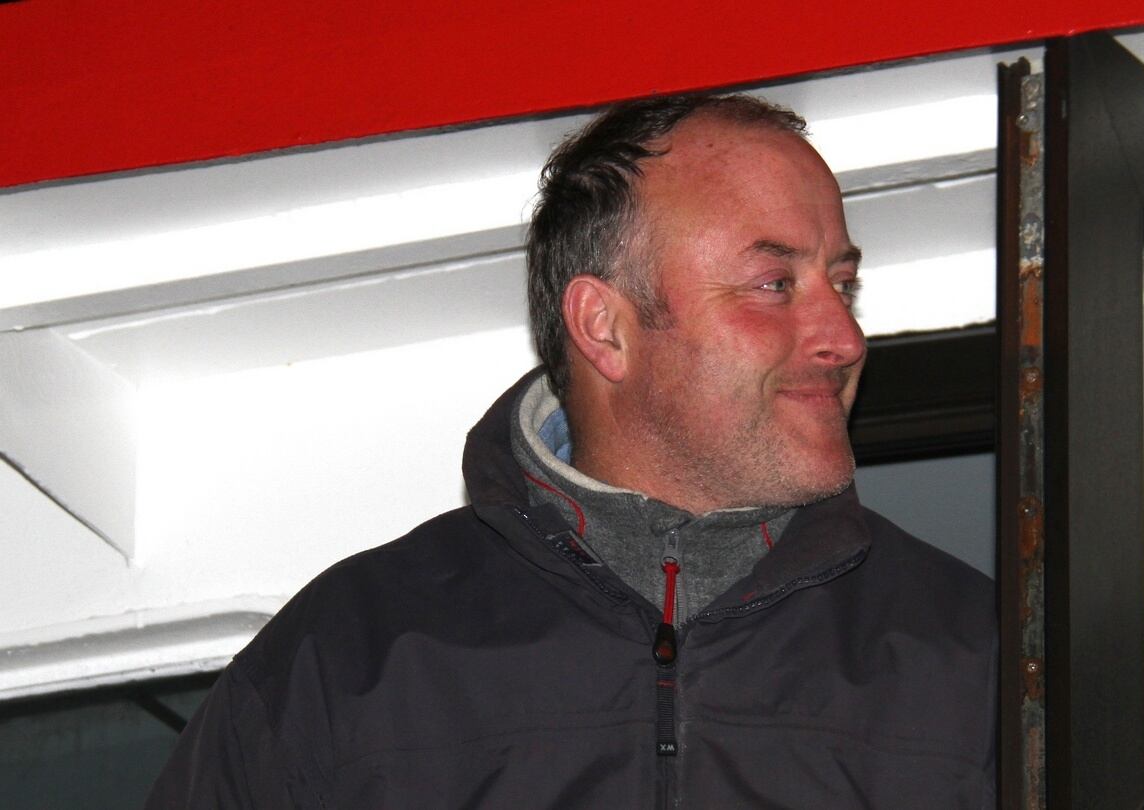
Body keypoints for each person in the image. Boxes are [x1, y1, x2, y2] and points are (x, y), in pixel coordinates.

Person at [146, 94, 996, 808]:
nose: (843, 336)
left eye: (842, 284)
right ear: (604, 328)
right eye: (775, 284)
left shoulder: (980, 658)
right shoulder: (353, 660)